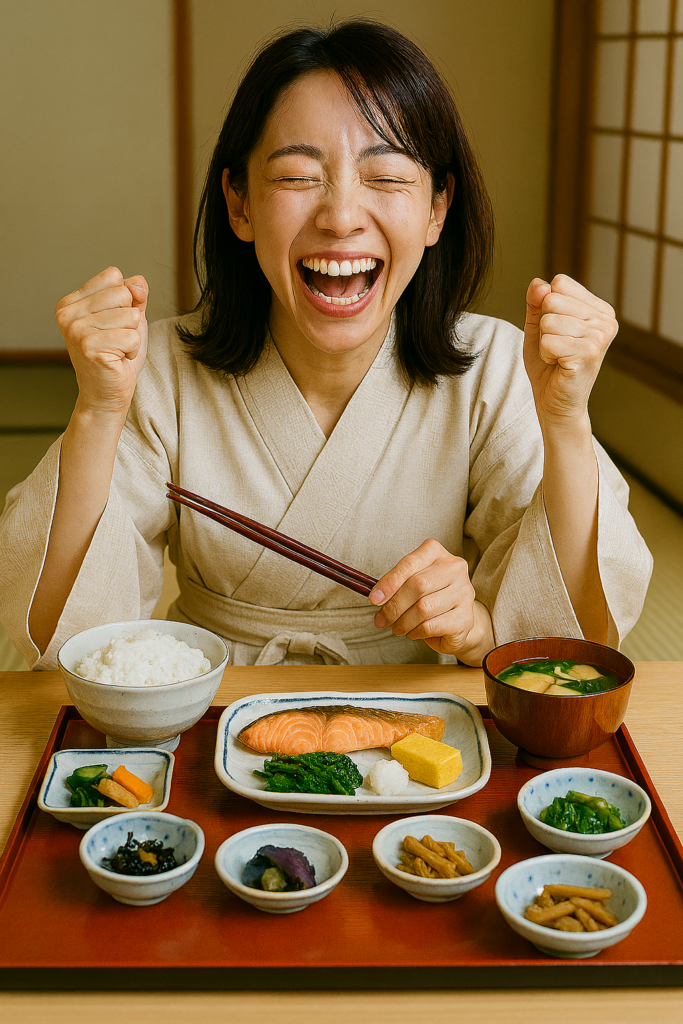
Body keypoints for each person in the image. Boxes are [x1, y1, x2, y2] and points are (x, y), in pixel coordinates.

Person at [0, 20, 652, 670]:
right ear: (239, 203)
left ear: (436, 208)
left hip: (416, 731)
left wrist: (564, 422)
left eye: (387, 178)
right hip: (215, 706)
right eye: (295, 177)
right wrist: (96, 411)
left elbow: (571, 647)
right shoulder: (161, 371)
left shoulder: (495, 371)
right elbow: (59, 635)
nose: (340, 216)